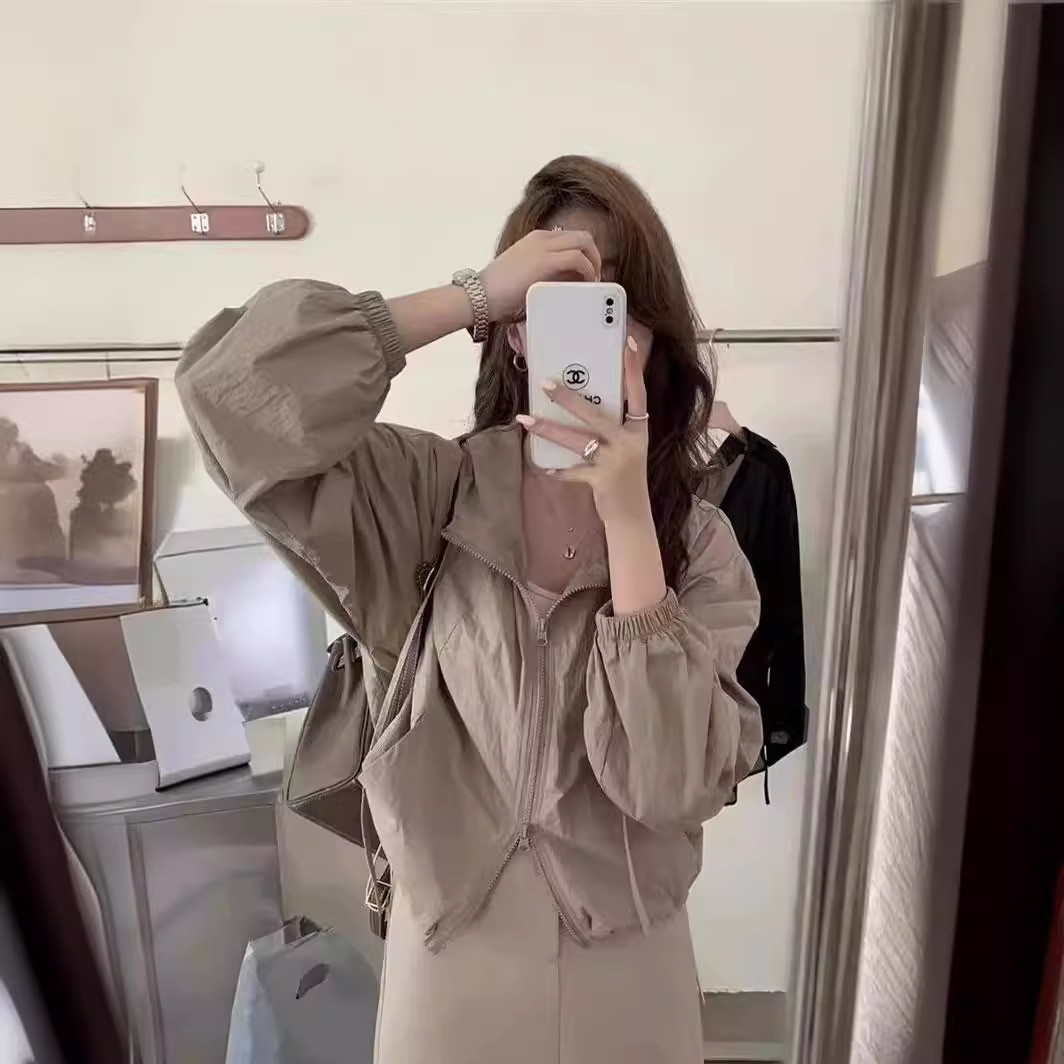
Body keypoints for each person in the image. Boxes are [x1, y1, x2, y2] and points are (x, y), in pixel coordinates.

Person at [178, 155, 762, 1064]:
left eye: (615, 298)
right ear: (519, 334)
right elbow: (229, 397)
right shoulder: (425, 497)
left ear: (652, 331)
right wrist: (471, 295)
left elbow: (670, 784)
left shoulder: (701, 545)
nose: (592, 325)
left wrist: (628, 523)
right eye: (558, 296)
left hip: (630, 965)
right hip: (452, 961)